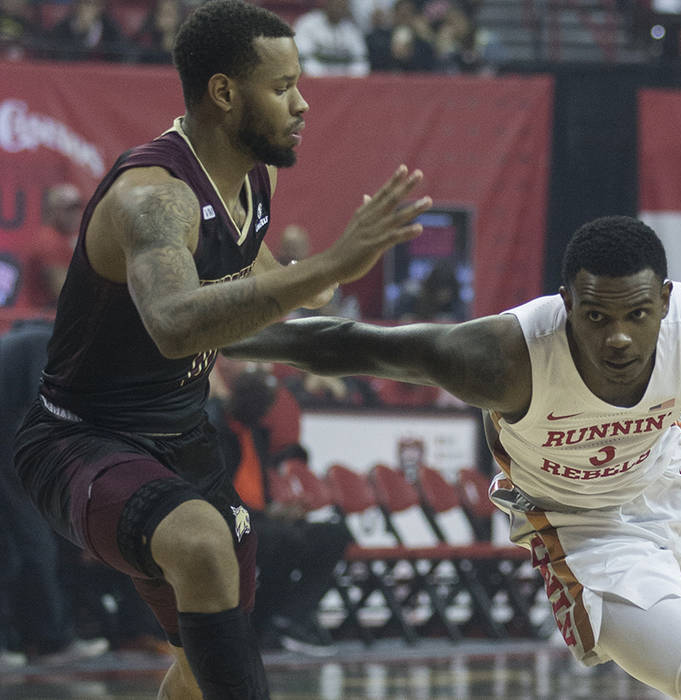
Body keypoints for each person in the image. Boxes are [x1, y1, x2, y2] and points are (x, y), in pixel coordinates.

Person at [224, 215, 681, 700]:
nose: (618, 336)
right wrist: (203, 332)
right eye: (597, 316)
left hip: (679, 482)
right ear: (565, 304)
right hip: (584, 529)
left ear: (666, 301)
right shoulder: (503, 357)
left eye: (637, 315)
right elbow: (345, 344)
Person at [10, 0, 430, 696]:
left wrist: (414, 347)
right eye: (283, 85)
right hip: (81, 438)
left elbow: (283, 298)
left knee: (202, 666)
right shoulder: (154, 197)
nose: (302, 104)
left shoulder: (249, 185)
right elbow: (175, 321)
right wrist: (330, 266)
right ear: (225, 92)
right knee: (204, 545)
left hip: (182, 441)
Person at [208, 362, 351, 656]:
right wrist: (266, 515)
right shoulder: (214, 428)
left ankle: (291, 617)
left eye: (265, 405)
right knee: (282, 539)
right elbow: (214, 493)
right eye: (259, 403)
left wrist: (277, 510)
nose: (263, 411)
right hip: (224, 518)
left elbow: (257, 492)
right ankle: (261, 620)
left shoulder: (257, 433)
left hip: (257, 517)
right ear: (239, 398)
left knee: (334, 534)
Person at [0, 319, 109, 666]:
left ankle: (29, 640)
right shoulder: (47, 346)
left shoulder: (34, 341)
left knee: (16, 546)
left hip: (12, 435)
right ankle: (50, 642)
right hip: (10, 436)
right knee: (34, 543)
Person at [22, 184, 82, 309]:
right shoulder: (49, 241)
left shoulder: (64, 239)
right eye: (68, 210)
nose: (75, 215)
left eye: (77, 208)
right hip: (43, 319)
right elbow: (63, 291)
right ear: (52, 210)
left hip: (53, 316)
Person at [293, 0, 370, 77]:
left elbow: (361, 61)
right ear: (327, 4)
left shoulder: (351, 29)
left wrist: (347, 78)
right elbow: (303, 59)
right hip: (315, 80)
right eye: (336, 4)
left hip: (346, 82)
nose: (338, 8)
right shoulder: (307, 23)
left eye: (342, 6)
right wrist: (326, 78)